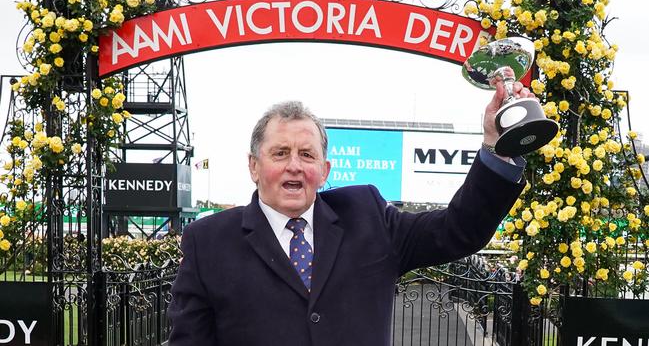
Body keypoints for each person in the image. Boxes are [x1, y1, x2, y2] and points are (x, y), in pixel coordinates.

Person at [168, 78, 530, 345]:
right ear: (254, 166)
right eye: (280, 153)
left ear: (324, 171)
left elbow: (458, 229)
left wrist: (495, 149)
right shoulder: (209, 241)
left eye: (307, 155)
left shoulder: (367, 215)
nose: (294, 166)